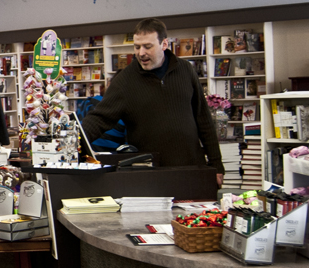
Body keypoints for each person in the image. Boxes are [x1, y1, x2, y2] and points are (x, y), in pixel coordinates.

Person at [80, 18, 224, 185]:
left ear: (164, 44)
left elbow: (203, 118)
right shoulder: (125, 81)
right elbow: (99, 119)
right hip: (150, 175)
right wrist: (72, 142)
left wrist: (216, 164)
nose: (141, 53)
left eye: (147, 46)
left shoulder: (185, 70)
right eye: (137, 47)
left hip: (192, 168)